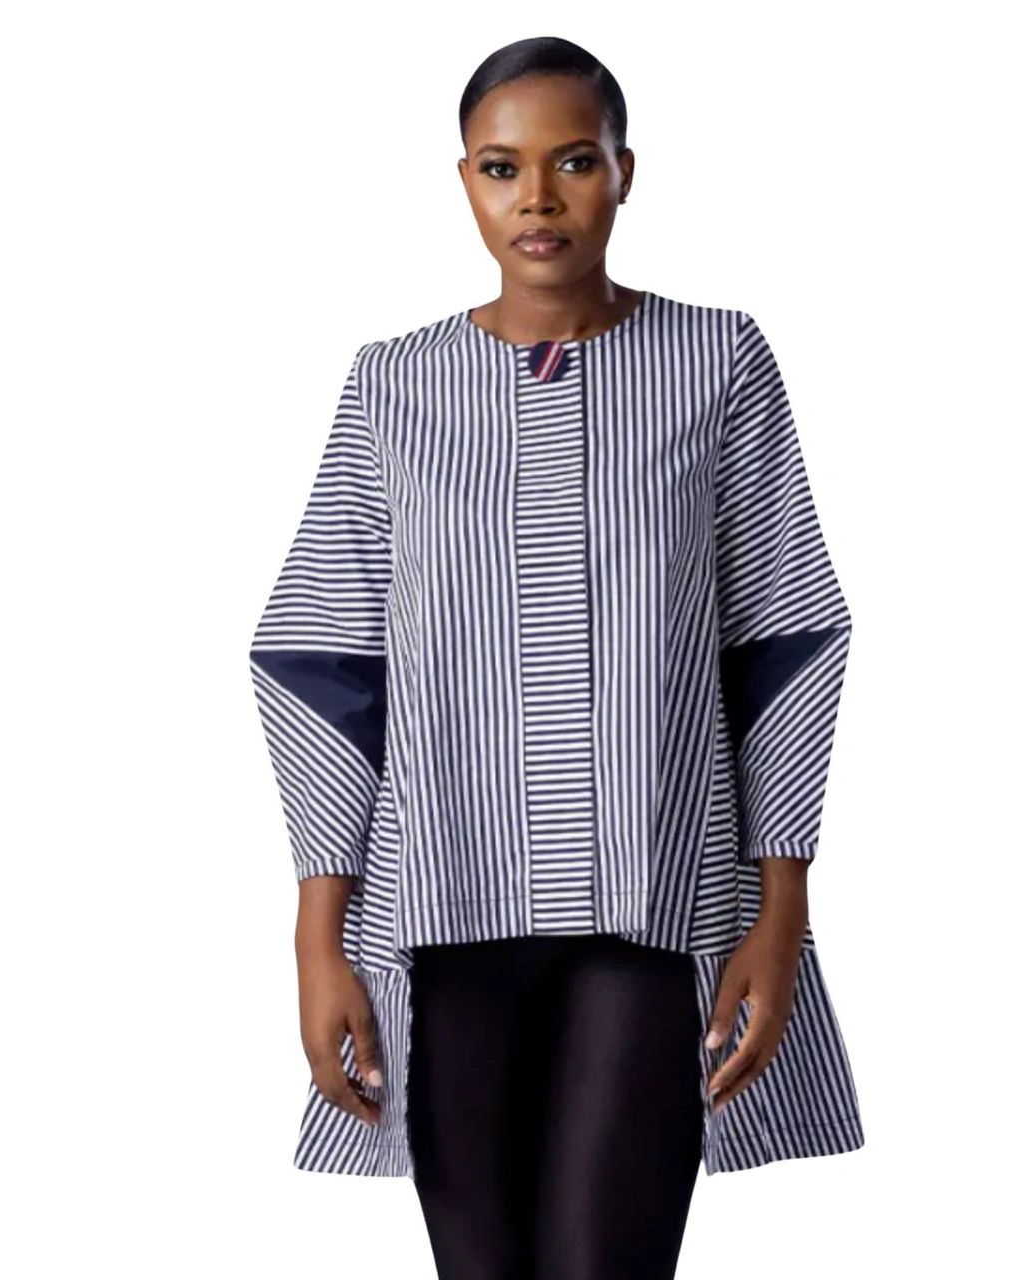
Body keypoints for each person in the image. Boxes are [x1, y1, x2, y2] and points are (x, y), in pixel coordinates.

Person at [249, 35, 864, 1280]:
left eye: (573, 161)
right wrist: (318, 937)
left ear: (623, 172)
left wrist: (780, 909)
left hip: (654, 904)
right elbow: (319, 655)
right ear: (464, 183)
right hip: (442, 905)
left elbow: (784, 635)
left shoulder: (717, 362)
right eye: (501, 166)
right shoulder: (393, 386)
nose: (536, 197)